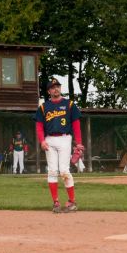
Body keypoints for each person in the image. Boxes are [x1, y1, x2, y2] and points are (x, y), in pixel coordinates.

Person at [34, 78, 83, 213]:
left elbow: (76, 125)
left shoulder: (69, 104)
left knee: (64, 170)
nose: (56, 89)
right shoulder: (43, 107)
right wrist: (42, 141)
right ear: (49, 91)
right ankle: (56, 202)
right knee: (52, 171)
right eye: (53, 87)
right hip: (49, 140)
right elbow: (39, 126)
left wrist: (79, 143)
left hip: (65, 138)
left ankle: (72, 201)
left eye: (58, 86)